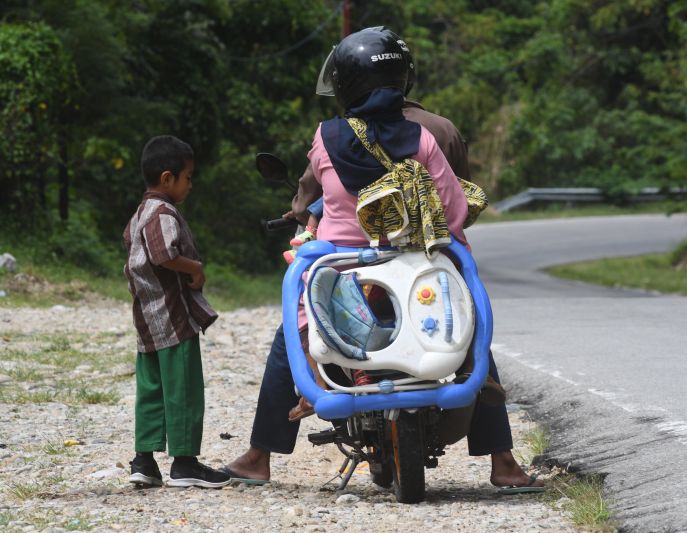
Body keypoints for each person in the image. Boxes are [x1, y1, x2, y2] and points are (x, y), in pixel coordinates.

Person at [226, 28, 542, 493]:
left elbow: (311, 193)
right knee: (469, 327)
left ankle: (260, 456)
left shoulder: (325, 136)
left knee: (289, 338)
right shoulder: (424, 137)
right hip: (415, 269)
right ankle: (504, 462)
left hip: (342, 274)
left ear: (347, 83)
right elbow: (454, 212)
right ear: (402, 79)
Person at [124, 135, 231, 489]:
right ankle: (184, 462)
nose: (190, 184)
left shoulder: (139, 213)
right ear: (167, 178)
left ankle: (145, 460)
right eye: (187, 177)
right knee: (183, 387)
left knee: (151, 388)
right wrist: (194, 268)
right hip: (172, 317)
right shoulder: (163, 212)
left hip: (146, 319)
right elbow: (162, 254)